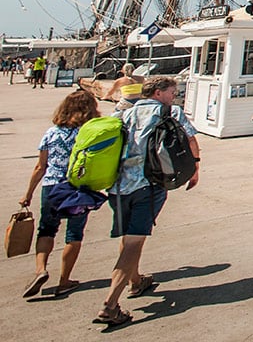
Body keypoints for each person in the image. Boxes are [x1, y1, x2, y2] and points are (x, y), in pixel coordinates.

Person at [96, 77, 199, 326]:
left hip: (119, 185)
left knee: (129, 237)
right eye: (171, 92)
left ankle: (136, 280)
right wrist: (195, 168)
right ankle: (110, 304)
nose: (174, 96)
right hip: (149, 184)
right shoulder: (170, 112)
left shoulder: (123, 114)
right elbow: (191, 140)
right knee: (134, 241)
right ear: (157, 92)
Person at [18, 89, 102, 299]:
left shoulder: (51, 132)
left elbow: (40, 167)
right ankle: (64, 281)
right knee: (74, 234)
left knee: (46, 230)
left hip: (52, 187)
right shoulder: (90, 133)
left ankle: (41, 270)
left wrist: (27, 193)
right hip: (78, 188)